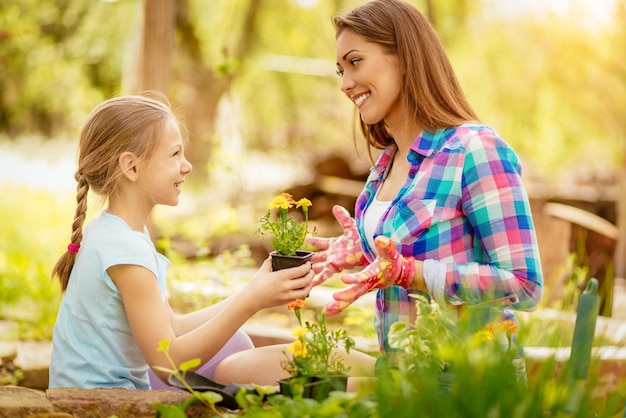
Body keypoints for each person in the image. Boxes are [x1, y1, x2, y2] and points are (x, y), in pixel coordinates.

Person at [308, 0, 543, 374]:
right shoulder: (386, 165)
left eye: (355, 62)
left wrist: (412, 273)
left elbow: (525, 285)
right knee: (245, 367)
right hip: (400, 371)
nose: (345, 84)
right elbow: (399, 261)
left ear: (405, 57)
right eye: (340, 70)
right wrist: (365, 249)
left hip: (464, 382)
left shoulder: (474, 150)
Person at [48, 94, 315, 390]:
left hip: (100, 391)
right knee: (235, 360)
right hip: (102, 404)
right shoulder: (124, 250)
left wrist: (254, 292)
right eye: (175, 154)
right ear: (131, 167)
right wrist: (251, 301)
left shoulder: (118, 232)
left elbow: (171, 327)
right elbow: (168, 364)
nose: (187, 166)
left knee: (235, 342)